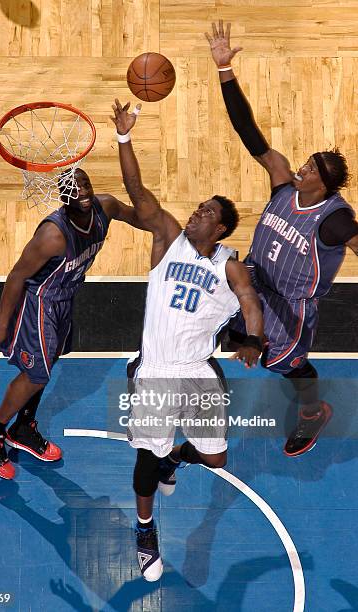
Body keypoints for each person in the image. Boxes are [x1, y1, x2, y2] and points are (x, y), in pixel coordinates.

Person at [111, 99, 264, 581]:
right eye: (198, 207)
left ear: (220, 229)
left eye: (207, 212)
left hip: (197, 371)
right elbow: (138, 193)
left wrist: (254, 340)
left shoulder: (228, 264)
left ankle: (176, 457)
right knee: (145, 454)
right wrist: (123, 137)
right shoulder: (168, 238)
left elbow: (250, 302)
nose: (197, 213)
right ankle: (144, 528)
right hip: (156, 367)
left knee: (216, 458)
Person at [205, 20, 358, 457]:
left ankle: (313, 411)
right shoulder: (282, 183)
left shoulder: (334, 220)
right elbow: (248, 132)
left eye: (309, 169)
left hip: (288, 309)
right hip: (249, 281)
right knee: (219, 332)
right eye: (305, 163)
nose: (300, 169)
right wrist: (224, 71)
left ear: (322, 184)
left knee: (287, 367)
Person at [0, 168, 142, 479]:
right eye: (74, 189)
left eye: (85, 183)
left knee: (48, 364)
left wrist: (167, 230)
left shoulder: (106, 207)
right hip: (39, 304)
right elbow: (17, 276)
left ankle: (23, 427)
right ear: (64, 198)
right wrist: (1, 323)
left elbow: (140, 216)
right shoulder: (53, 236)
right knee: (36, 375)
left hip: (65, 300)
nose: (83, 192)